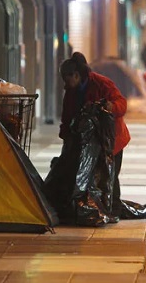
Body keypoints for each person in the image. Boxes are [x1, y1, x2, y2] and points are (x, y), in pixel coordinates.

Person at [59, 52, 131, 217]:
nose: (65, 84)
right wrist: (66, 136)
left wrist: (110, 106)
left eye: (67, 79)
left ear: (76, 75)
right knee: (91, 175)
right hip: (90, 141)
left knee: (110, 175)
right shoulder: (71, 90)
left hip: (111, 139)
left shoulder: (101, 83)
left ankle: (113, 209)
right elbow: (67, 115)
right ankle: (96, 207)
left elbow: (122, 104)